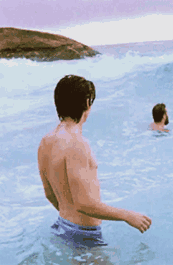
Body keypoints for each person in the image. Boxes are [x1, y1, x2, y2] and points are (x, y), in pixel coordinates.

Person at [38, 75, 152, 248]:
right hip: (84, 235)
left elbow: (49, 194)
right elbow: (84, 204)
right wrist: (127, 215)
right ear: (87, 103)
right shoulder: (77, 144)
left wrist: (69, 221)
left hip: (62, 226)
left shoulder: (46, 141)